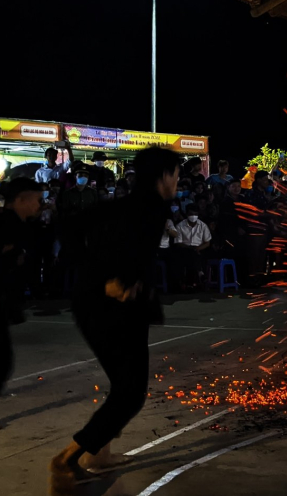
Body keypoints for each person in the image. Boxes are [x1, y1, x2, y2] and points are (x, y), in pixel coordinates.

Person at [50, 147, 180, 486]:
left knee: (125, 385)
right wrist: (104, 279)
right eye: (175, 174)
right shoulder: (140, 208)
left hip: (125, 307)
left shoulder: (147, 206)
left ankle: (99, 453)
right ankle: (67, 458)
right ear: (163, 177)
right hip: (104, 308)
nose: (178, 180)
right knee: (130, 392)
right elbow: (68, 229)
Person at [1, 179, 44, 393]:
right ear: (20, 200)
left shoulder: (21, 225)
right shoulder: (6, 225)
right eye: (37, 200)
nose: (39, 205)